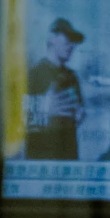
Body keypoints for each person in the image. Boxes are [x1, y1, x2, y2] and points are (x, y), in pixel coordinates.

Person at [24, 17, 84, 159]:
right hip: (41, 158)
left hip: (69, 156)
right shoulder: (33, 75)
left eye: (74, 41)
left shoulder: (72, 77)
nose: (71, 45)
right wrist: (44, 110)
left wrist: (80, 114)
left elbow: (79, 110)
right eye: (67, 38)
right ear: (51, 38)